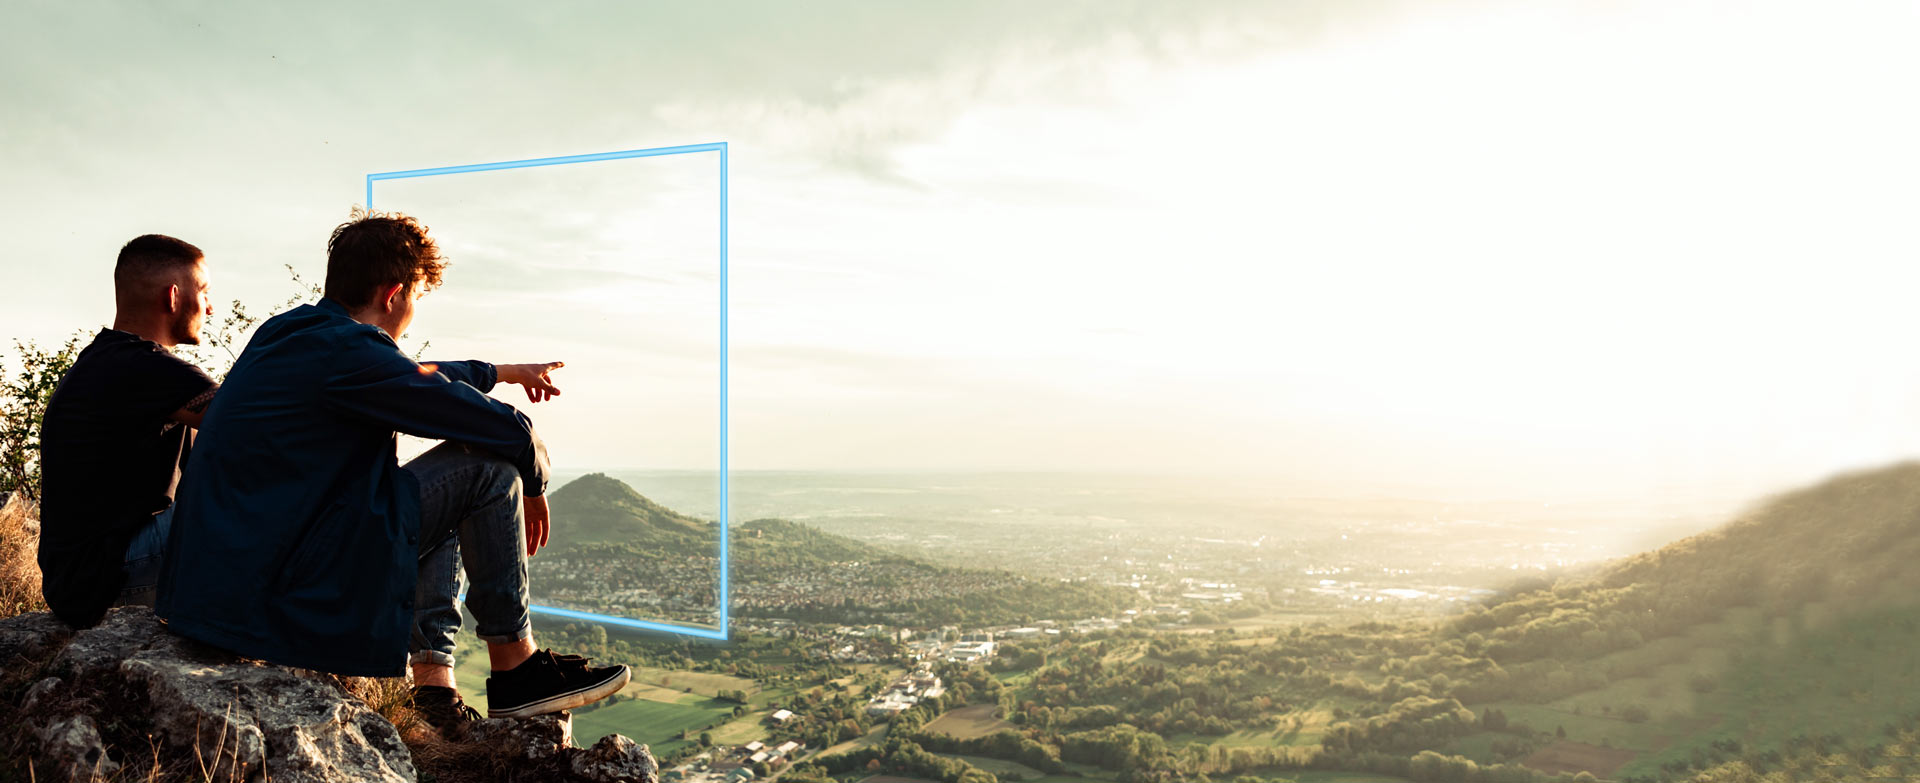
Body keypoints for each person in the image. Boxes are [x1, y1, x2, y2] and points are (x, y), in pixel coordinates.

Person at [155, 207, 628, 734]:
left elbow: (406, 374)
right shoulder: (347, 351)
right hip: (274, 589)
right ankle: (516, 669)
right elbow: (497, 426)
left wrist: (499, 372)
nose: (412, 312)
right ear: (393, 294)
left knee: (412, 492)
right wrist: (535, 481)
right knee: (487, 469)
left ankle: (431, 687)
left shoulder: (291, 333)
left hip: (229, 581)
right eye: (416, 299)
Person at [38, 234, 219, 629]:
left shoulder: (110, 360)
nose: (210, 306)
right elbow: (254, 421)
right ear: (172, 297)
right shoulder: (145, 366)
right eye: (203, 291)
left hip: (82, 580)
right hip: (109, 575)